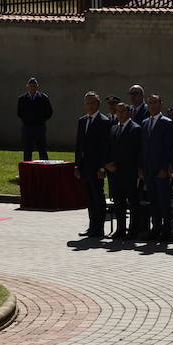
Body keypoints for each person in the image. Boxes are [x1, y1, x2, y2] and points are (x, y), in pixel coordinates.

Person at [74, 91, 112, 238]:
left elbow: (105, 146)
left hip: (97, 168)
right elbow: (79, 145)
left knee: (98, 197)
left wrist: (102, 167)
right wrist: (77, 165)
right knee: (89, 198)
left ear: (98, 104)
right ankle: (91, 226)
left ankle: (99, 228)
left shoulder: (104, 121)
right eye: (87, 103)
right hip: (84, 167)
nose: (89, 105)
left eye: (92, 103)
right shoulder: (82, 121)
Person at [139, 94, 173, 242]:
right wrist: (140, 167)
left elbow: (169, 147)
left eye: (155, 102)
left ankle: (166, 230)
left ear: (160, 104)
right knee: (153, 200)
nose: (152, 105)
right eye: (150, 102)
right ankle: (156, 228)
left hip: (161, 169)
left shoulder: (167, 122)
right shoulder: (145, 122)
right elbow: (142, 147)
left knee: (163, 201)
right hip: (148, 169)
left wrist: (165, 167)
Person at [105, 102, 142, 240]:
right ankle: (120, 229)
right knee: (118, 203)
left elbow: (135, 152)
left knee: (132, 202)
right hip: (114, 172)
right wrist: (107, 164)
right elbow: (109, 149)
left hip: (129, 172)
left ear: (129, 113)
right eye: (117, 111)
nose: (119, 114)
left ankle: (133, 230)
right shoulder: (114, 128)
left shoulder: (135, 129)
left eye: (123, 111)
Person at [16, 77, 53, 161]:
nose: (32, 88)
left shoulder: (43, 98)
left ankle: (45, 170)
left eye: (34, 86)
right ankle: (26, 171)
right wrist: (27, 120)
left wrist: (41, 120)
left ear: (37, 87)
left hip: (39, 127)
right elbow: (19, 113)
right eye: (31, 86)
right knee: (27, 150)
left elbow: (49, 112)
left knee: (42, 150)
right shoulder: (22, 99)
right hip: (27, 128)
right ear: (27, 86)